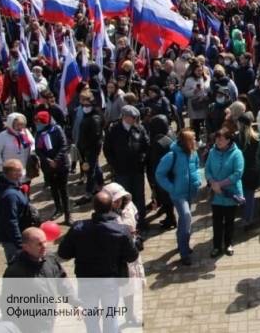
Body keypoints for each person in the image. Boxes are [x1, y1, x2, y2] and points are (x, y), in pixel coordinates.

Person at [58, 191, 139, 333]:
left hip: (86, 280)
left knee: (91, 319)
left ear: (93, 207)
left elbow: (63, 253)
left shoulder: (78, 228)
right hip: (110, 281)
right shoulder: (121, 230)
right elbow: (132, 256)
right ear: (111, 207)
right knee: (111, 317)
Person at [2, 227, 72, 333]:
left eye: (45, 242)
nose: (44, 247)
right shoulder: (15, 272)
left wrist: (75, 302)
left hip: (48, 318)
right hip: (29, 324)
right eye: (39, 244)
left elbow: (61, 281)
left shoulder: (50, 259)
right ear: (26, 247)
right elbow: (8, 304)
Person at [155, 129, 203, 266]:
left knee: (184, 220)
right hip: (178, 194)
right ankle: (184, 253)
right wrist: (172, 188)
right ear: (186, 141)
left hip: (190, 192)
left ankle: (183, 245)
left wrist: (198, 180)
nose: (195, 141)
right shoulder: (172, 155)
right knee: (186, 217)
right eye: (192, 139)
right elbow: (160, 174)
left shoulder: (193, 153)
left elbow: (197, 167)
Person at [102, 182, 145, 325]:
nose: (118, 202)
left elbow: (135, 223)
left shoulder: (130, 207)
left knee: (130, 287)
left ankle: (130, 315)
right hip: (115, 257)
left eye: (120, 199)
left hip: (130, 252)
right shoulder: (104, 215)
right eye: (115, 200)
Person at [103, 105, 150, 230]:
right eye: (133, 117)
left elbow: (146, 145)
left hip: (137, 169)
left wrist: (142, 160)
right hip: (121, 170)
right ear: (124, 117)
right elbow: (107, 149)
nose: (135, 119)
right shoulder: (114, 130)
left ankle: (141, 220)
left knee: (139, 195)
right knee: (123, 197)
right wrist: (114, 164)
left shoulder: (139, 129)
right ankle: (125, 222)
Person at [205, 129, 244, 257]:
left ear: (228, 140)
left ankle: (228, 244)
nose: (218, 141)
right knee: (216, 222)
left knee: (229, 222)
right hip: (216, 195)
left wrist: (219, 184)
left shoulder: (237, 154)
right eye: (217, 139)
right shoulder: (212, 152)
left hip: (230, 194)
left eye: (221, 139)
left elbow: (238, 173)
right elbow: (207, 170)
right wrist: (212, 182)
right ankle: (216, 246)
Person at [33, 111, 71, 224]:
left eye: (40, 122)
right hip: (48, 166)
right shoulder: (39, 133)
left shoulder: (57, 129)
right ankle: (58, 209)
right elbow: (38, 150)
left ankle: (67, 214)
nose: (38, 124)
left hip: (61, 164)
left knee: (63, 190)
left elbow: (64, 145)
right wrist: (47, 160)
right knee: (54, 188)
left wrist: (56, 160)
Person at [0, 160, 33, 263]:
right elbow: (11, 222)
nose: (22, 172)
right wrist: (20, 244)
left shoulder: (12, 185)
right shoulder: (10, 196)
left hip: (17, 236)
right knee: (18, 270)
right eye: (20, 170)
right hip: (13, 242)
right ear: (13, 173)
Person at [75, 92, 104, 205]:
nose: (85, 108)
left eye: (87, 106)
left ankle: (88, 193)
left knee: (90, 170)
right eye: (84, 105)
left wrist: (86, 147)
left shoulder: (95, 118)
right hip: (87, 147)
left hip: (91, 148)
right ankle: (100, 185)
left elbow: (94, 137)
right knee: (95, 166)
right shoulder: (88, 116)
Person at [147, 115, 176, 229]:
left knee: (166, 198)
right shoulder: (170, 134)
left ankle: (171, 219)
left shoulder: (158, 141)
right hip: (171, 172)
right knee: (168, 198)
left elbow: (154, 161)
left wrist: (153, 179)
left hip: (163, 174)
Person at [0, 113, 34, 183]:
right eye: (17, 125)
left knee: (25, 188)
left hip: (24, 168)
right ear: (11, 124)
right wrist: (1, 166)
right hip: (10, 171)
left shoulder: (26, 132)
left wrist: (32, 151)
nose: (20, 127)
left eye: (22, 124)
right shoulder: (2, 136)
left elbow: (33, 143)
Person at [182, 62, 210, 140]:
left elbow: (209, 89)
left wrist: (205, 96)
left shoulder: (206, 78)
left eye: (200, 70)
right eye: (197, 70)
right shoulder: (189, 80)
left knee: (205, 121)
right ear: (193, 70)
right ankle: (197, 139)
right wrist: (194, 91)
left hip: (204, 103)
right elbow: (185, 92)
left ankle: (205, 138)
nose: (199, 72)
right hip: (194, 105)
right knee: (196, 123)